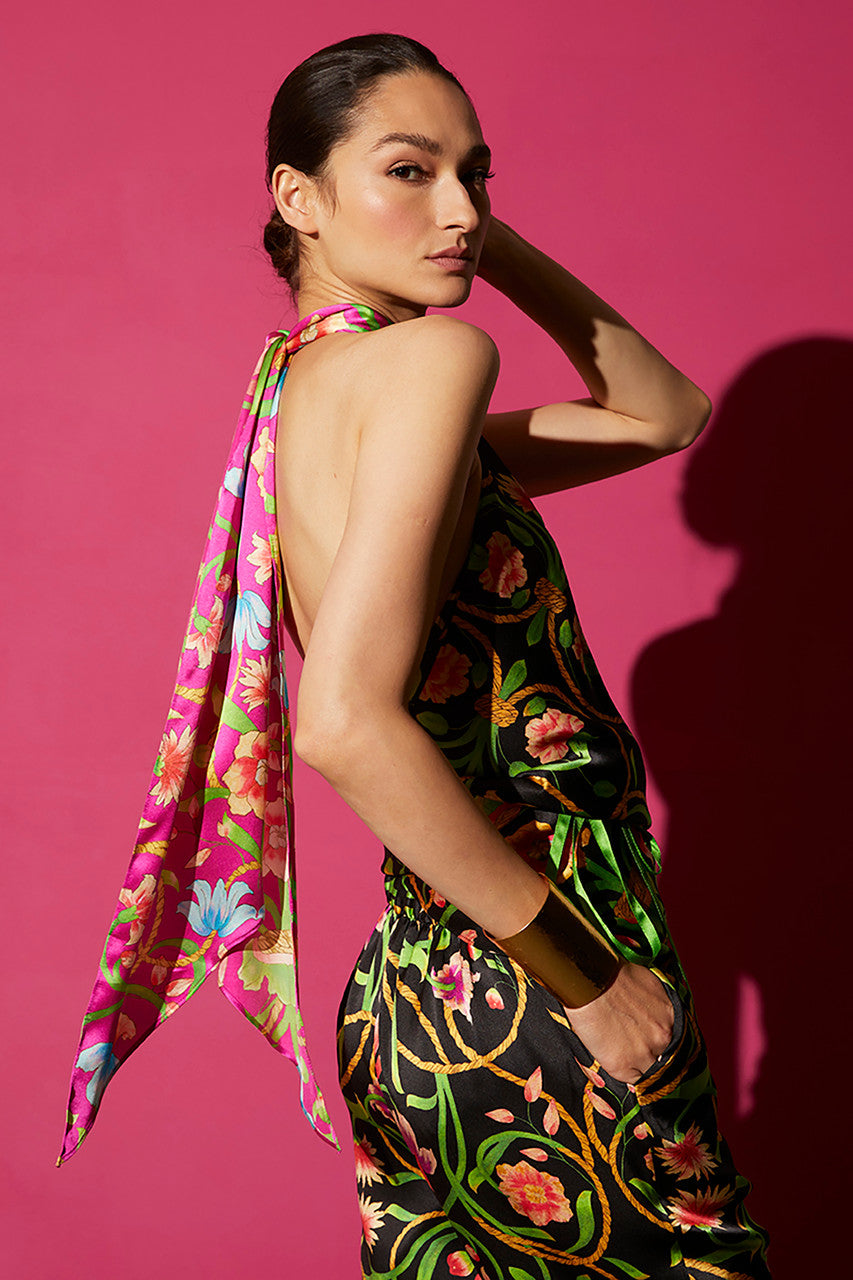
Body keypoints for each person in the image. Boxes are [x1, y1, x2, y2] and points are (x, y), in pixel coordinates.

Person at [59, 31, 771, 1280]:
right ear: (298, 198)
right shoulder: (435, 362)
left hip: (414, 997)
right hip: (546, 970)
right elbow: (341, 719)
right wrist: (589, 981)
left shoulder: (298, 399)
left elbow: (662, 414)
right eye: (409, 170)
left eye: (476, 175)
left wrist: (465, 234)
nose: (461, 210)